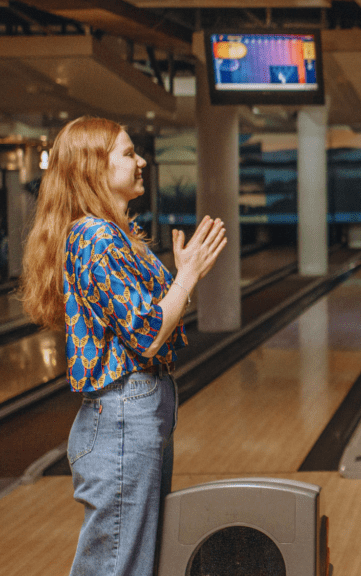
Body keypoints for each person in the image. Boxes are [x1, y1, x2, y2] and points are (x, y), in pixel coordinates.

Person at [20, 116, 226, 576]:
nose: (141, 161)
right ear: (94, 168)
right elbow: (149, 334)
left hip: (134, 412)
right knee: (120, 565)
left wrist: (180, 279)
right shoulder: (95, 237)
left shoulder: (110, 234)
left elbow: (146, 321)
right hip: (122, 416)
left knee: (130, 562)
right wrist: (188, 275)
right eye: (129, 153)